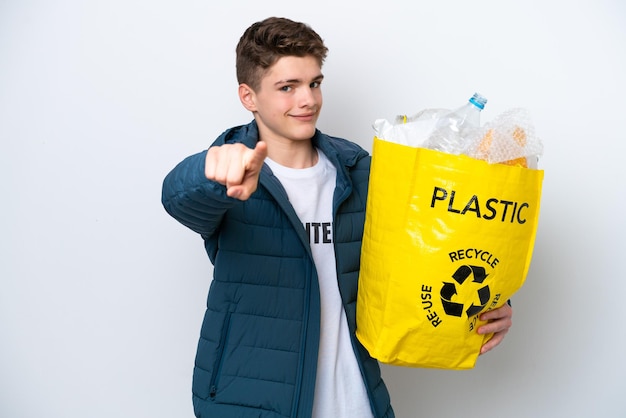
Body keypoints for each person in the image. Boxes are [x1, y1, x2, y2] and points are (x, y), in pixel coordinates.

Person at [161, 16, 513, 418]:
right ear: (249, 96)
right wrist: (211, 170)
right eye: (287, 87)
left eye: (314, 83)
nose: (308, 99)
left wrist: (485, 300)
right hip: (252, 402)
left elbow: (423, 252)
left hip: (356, 399)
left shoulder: (356, 170)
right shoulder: (229, 174)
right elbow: (177, 197)